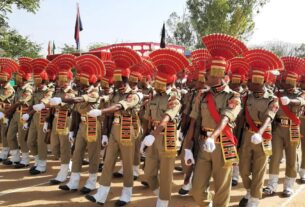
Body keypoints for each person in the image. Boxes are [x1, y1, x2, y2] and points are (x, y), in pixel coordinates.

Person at [184, 34, 246, 207]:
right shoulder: (202, 95)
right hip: (204, 145)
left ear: (219, 73)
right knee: (196, 189)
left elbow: (226, 118)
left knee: (221, 190)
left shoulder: (234, 96)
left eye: (209, 74)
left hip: (223, 144)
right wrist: (188, 147)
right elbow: (193, 122)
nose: (206, 77)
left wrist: (214, 136)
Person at [85, 47, 143, 206]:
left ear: (123, 78)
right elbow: (109, 115)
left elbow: (118, 107)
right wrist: (104, 133)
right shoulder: (114, 93)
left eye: (117, 79)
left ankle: (127, 193)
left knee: (127, 163)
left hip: (127, 131)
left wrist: (101, 111)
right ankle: (101, 194)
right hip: (114, 131)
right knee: (108, 161)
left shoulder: (135, 95)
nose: (113, 81)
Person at [141, 48, 189, 207]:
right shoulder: (154, 96)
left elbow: (167, 117)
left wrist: (152, 135)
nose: (156, 85)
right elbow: (147, 118)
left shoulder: (174, 97)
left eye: (160, 83)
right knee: (148, 173)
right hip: (152, 137)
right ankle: (159, 194)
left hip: (167, 137)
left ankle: (163, 201)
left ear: (168, 82)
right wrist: (145, 137)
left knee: (166, 174)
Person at [237, 50, 282, 207]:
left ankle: (254, 200)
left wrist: (260, 132)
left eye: (257, 80)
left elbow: (270, 117)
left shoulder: (272, 99)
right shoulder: (246, 97)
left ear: (264, 80)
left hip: (263, 138)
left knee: (259, 170)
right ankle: (250, 190)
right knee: (242, 168)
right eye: (251, 79)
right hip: (247, 135)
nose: (252, 83)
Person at [58, 54, 105, 194]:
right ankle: (73, 182)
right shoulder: (81, 91)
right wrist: (73, 129)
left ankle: (91, 182)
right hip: (82, 126)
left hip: (93, 126)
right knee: (77, 153)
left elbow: (79, 100)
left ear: (88, 81)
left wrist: (63, 101)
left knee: (93, 155)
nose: (77, 82)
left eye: (80, 80)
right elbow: (76, 113)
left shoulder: (94, 93)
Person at [263, 56, 305, 197]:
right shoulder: (277, 93)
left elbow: (301, 101)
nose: (288, 83)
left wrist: (291, 100)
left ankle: (288, 186)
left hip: (293, 128)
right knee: (275, 157)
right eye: (287, 80)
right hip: (278, 128)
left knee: (291, 158)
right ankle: (271, 185)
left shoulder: (300, 93)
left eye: (291, 81)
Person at [47, 54, 76, 185]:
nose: (60, 81)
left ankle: (63, 172)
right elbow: (51, 108)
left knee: (64, 146)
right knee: (54, 145)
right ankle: (67, 162)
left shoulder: (71, 92)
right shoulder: (56, 91)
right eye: (59, 79)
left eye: (63, 79)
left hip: (66, 120)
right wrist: (48, 121)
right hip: (56, 119)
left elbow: (68, 104)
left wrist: (58, 103)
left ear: (68, 80)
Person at [23, 58, 53, 175]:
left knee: (41, 142)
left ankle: (42, 165)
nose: (35, 80)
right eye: (34, 78)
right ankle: (37, 161)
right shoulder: (35, 91)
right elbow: (31, 105)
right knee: (30, 141)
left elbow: (43, 104)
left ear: (43, 79)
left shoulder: (49, 90)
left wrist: (29, 114)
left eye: (37, 78)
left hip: (43, 117)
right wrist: (27, 118)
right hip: (35, 118)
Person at [0, 58, 18, 163]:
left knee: (6, 133)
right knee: (2, 134)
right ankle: (4, 151)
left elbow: (2, 98)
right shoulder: (1, 87)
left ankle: (6, 153)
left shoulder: (9, 89)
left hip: (6, 114)